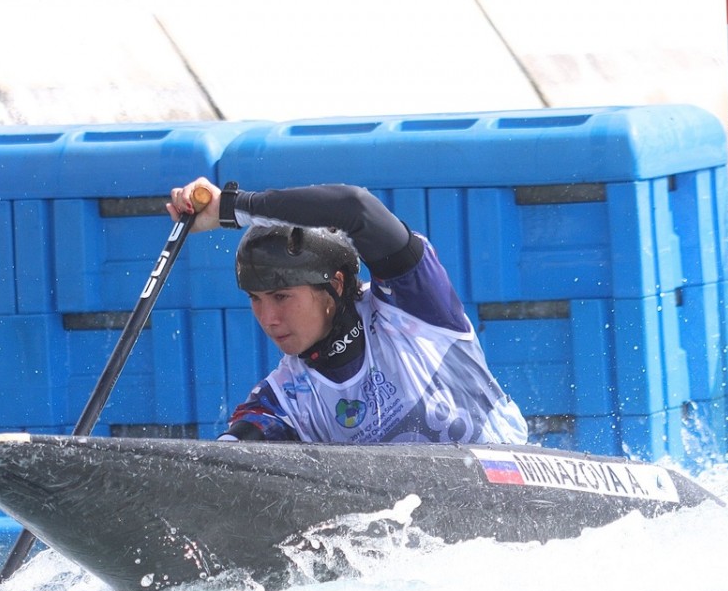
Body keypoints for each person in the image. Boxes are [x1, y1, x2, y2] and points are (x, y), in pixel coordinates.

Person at [167, 177, 528, 446]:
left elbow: (356, 207)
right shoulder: (284, 399)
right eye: (255, 298)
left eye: (281, 296)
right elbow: (228, 464)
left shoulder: (413, 304)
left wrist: (229, 207)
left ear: (336, 285)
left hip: (513, 485)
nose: (268, 318)